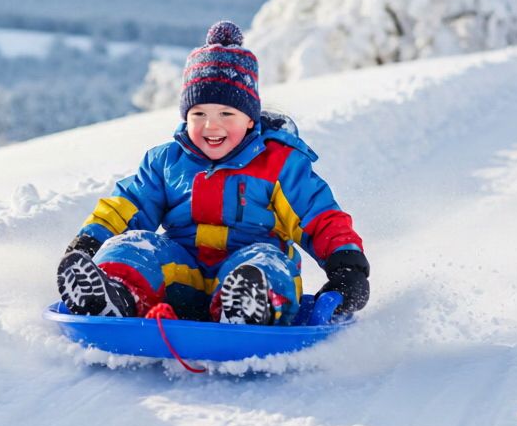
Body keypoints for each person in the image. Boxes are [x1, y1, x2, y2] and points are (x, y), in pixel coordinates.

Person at [57, 21, 369, 325]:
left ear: (250, 119)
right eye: (199, 114)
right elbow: (127, 206)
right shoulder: (166, 162)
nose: (211, 125)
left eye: (226, 114)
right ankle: (112, 299)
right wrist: (89, 241)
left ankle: (247, 308)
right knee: (134, 246)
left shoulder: (279, 166)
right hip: (182, 276)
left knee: (268, 261)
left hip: (249, 269)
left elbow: (319, 217)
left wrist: (346, 266)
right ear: (185, 116)